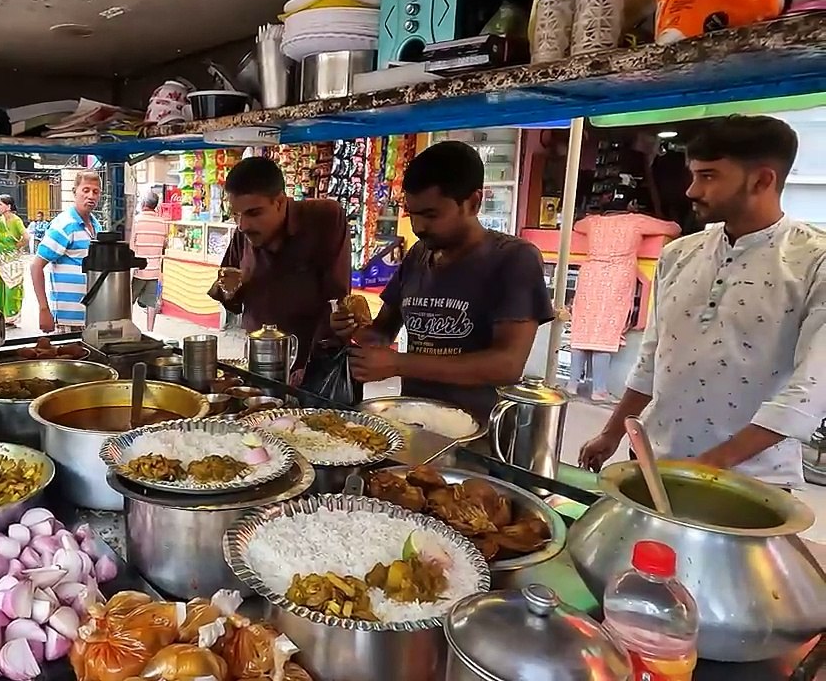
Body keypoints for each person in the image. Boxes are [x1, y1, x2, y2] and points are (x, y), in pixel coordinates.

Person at [578, 115, 826, 488]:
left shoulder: (814, 261)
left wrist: (709, 465)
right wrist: (612, 433)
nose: (692, 190)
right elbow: (652, 358)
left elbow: (810, 392)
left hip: (749, 482)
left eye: (708, 176)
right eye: (694, 175)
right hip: (651, 461)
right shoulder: (679, 254)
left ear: (762, 180)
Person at [330, 141, 553, 420]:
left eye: (431, 215)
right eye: (413, 214)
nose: (418, 227)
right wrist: (351, 327)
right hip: (414, 421)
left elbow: (507, 365)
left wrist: (399, 364)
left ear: (473, 203)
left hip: (480, 430)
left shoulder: (514, 259)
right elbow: (381, 333)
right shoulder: (418, 255)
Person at [207, 157, 350, 372]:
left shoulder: (324, 218)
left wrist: (312, 365)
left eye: (254, 213)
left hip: (319, 366)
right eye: (236, 214)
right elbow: (229, 294)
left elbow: (337, 299)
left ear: (280, 202)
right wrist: (229, 289)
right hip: (260, 360)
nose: (243, 225)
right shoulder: (243, 233)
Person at [567, 199, 680, 402]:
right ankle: (599, 390)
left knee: (581, 328)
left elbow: (576, 225)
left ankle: (572, 385)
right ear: (629, 209)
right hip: (617, 277)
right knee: (605, 333)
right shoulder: (636, 221)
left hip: (591, 275)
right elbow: (673, 228)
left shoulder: (593, 222)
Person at [32, 172, 104, 333]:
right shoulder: (64, 224)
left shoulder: (96, 226)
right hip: (67, 320)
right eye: (85, 190)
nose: (91, 196)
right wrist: (43, 309)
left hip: (90, 317)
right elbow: (36, 266)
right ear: (74, 192)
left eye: (95, 191)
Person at [130, 190, 169, 331]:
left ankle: (128, 329)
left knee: (129, 302)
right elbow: (164, 244)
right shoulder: (163, 223)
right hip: (154, 271)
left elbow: (131, 246)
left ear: (143, 203)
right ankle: (150, 331)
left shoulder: (136, 221)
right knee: (151, 303)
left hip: (138, 270)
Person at [0, 194, 28, 325]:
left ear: (8, 206)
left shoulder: (16, 221)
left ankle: (11, 316)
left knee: (12, 287)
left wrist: (17, 247)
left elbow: (26, 237)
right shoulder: (0, 220)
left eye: (0, 204)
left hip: (11, 261)